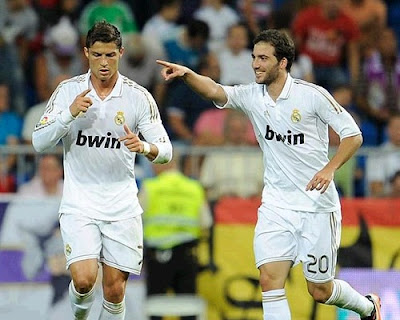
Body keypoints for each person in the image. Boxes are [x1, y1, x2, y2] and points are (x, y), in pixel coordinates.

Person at [157, 29, 382, 320]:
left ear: (283, 62)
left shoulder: (312, 96)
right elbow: (215, 90)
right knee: (269, 280)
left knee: (320, 291)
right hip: (276, 207)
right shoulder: (252, 96)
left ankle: (368, 307)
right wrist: (187, 74)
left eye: (263, 58)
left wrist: (329, 169)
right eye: (254, 57)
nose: (255, 64)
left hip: (317, 207)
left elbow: (353, 135)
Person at [32, 21, 173, 320]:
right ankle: (81, 316)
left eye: (110, 55)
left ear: (121, 53)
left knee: (114, 290)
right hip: (79, 203)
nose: (104, 63)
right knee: (83, 281)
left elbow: (166, 150)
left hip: (121, 205)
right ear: (86, 53)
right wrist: (68, 115)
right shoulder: (69, 91)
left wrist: (145, 147)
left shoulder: (138, 96)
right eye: (97, 55)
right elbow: (39, 141)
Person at [139, 156, 212, 320]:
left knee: (155, 307)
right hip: (187, 254)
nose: (152, 168)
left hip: (158, 255)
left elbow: (136, 218)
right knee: (188, 307)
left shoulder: (151, 187)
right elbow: (206, 222)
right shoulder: (194, 188)